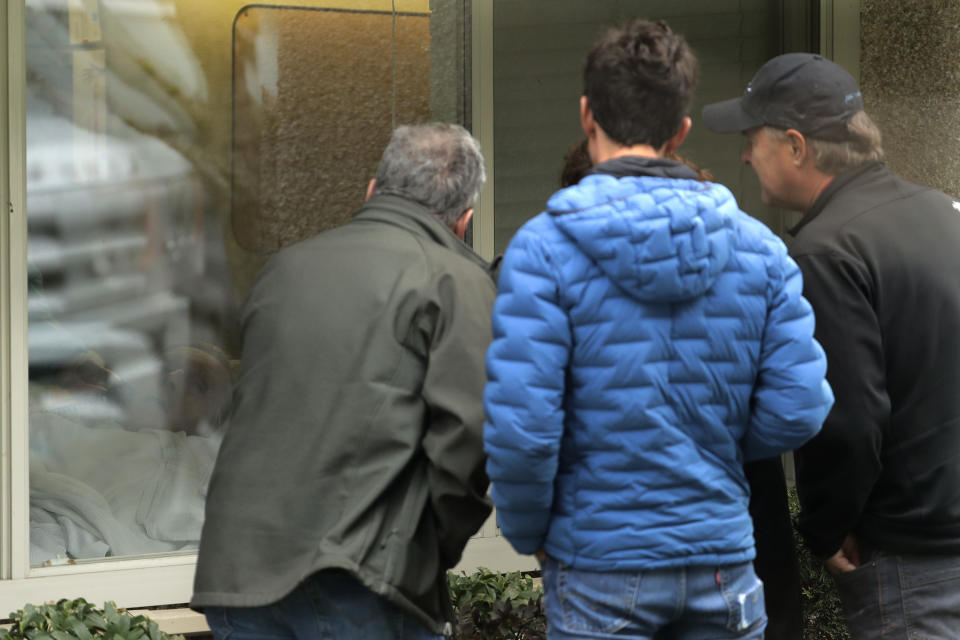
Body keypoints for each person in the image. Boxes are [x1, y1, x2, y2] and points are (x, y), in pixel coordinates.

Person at [484, 19, 834, 640]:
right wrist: (712, 444)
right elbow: (801, 405)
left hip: (597, 561)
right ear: (681, 131)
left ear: (588, 115)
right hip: (723, 561)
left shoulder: (542, 251)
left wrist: (532, 534)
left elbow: (523, 430)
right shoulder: (761, 250)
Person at [191, 123, 496, 640]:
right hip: (357, 581)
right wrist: (424, 549)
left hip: (234, 571)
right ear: (463, 222)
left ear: (372, 190)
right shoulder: (455, 280)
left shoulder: (284, 269)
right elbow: (468, 439)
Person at [702, 51, 960, 638]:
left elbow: (849, 418)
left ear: (796, 146)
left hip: (907, 562)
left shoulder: (825, 251)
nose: (744, 155)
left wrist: (825, 528)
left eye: (751, 139)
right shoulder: (944, 211)